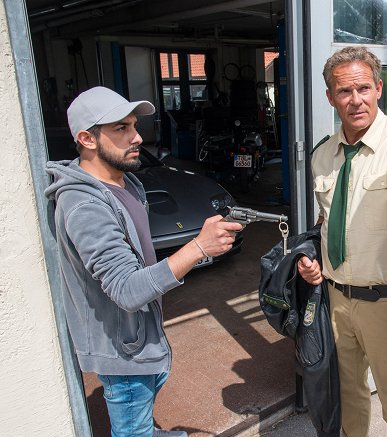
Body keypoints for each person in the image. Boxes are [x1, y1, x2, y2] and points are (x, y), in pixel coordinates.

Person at [45, 86, 243, 437]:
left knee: (143, 413)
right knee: (133, 427)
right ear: (87, 138)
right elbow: (126, 290)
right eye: (121, 128)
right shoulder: (85, 206)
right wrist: (198, 247)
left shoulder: (127, 183)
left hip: (141, 336)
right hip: (123, 351)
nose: (137, 137)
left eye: (134, 125)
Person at [296, 46, 387, 436]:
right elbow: (328, 221)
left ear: (379, 88)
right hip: (336, 300)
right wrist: (314, 258)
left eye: (363, 88)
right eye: (344, 92)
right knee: (348, 396)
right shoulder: (323, 155)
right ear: (331, 97)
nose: (355, 100)